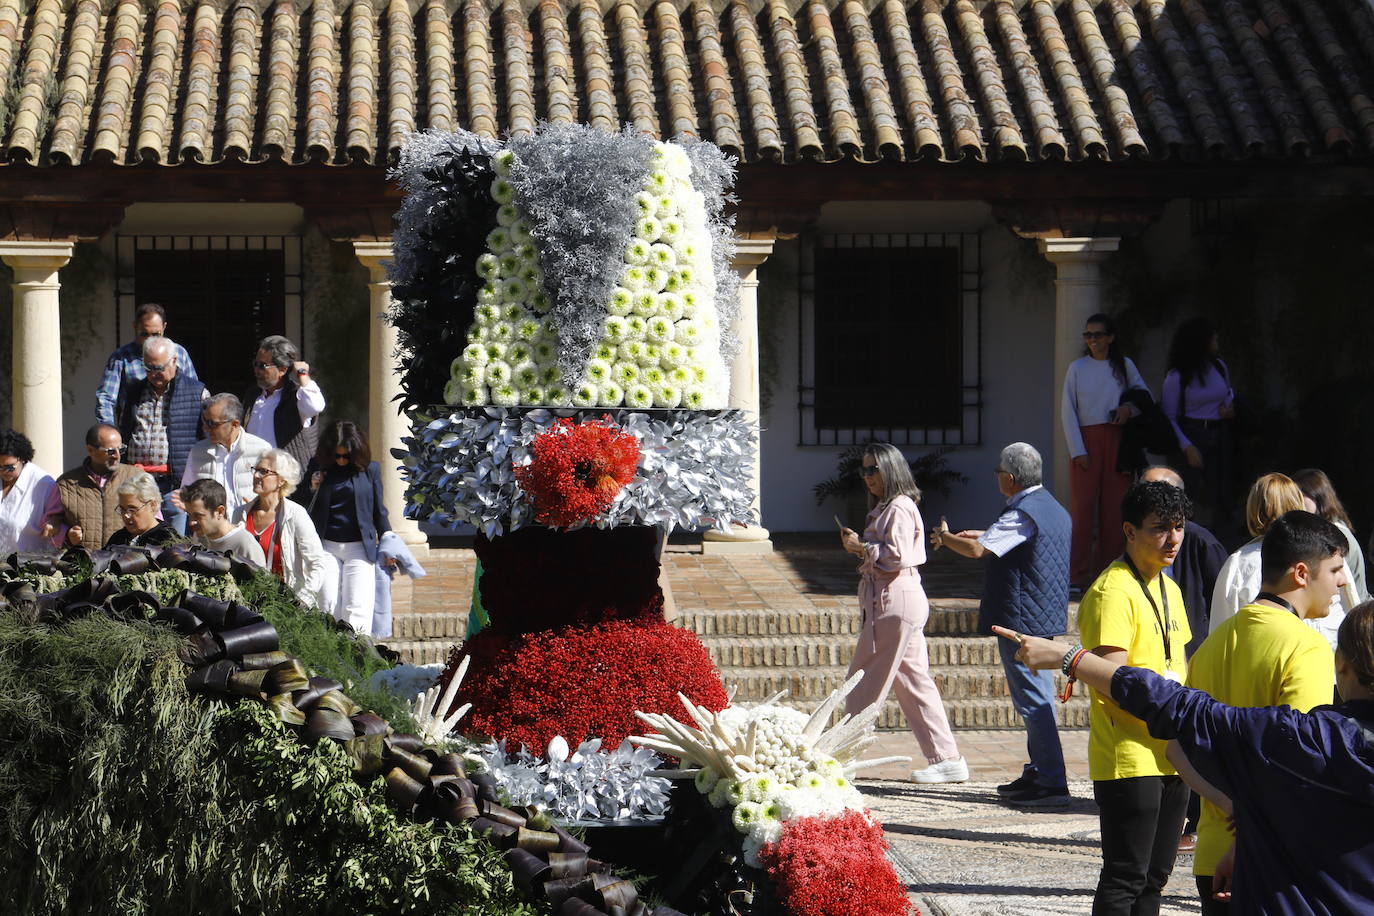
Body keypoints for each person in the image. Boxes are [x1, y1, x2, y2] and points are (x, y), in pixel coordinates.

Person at [994, 600, 1374, 915]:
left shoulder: (1304, 741)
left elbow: (1178, 706)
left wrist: (1072, 658)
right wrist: (1250, 837)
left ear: (1341, 663)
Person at [1182, 510, 1343, 914]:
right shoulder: (1305, 648)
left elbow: (1176, 748)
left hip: (1213, 854)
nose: (1343, 581)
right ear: (1302, 573)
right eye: (1336, 569)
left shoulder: (1211, 645)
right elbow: (1299, 764)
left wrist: (1226, 801)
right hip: (1272, 856)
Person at [1075, 480, 1191, 916]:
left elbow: (1178, 667)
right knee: (1126, 877)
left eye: (1179, 526)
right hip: (1129, 756)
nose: (1173, 538)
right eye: (1160, 528)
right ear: (1129, 530)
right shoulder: (1113, 591)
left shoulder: (1170, 587)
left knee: (1156, 880)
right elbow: (1112, 679)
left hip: (1172, 751)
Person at [931, 442, 1069, 805]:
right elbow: (1010, 541)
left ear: (1009, 477)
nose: (996, 477)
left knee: (1033, 700)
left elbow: (979, 552)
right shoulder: (1049, 507)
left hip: (1022, 616)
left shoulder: (1023, 512)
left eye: (998, 471)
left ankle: (1051, 782)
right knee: (1038, 697)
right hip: (1043, 611)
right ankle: (1039, 771)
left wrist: (944, 539)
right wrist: (983, 534)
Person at [838, 442, 965, 784]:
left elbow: (895, 557)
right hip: (894, 598)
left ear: (890, 470)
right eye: (864, 470)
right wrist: (862, 550)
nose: (867, 477)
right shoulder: (890, 507)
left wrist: (859, 547)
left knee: (864, 678)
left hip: (894, 600)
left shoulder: (898, 507)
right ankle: (946, 758)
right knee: (912, 681)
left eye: (873, 470)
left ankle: (838, 755)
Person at [1138, 465, 1228, 855]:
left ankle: (1194, 820)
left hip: (1194, 654)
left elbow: (1219, 596)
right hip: (1158, 660)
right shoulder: (1138, 541)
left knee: (1192, 741)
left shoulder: (1202, 543)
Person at [1211, 473, 1357, 651]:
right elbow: (1352, 611)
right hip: (1328, 664)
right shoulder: (1326, 553)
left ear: (1253, 508)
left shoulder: (1239, 564)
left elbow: (1220, 635)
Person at [1062, 312, 1150, 592]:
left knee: (1115, 510)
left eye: (1098, 334)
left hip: (1118, 440)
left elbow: (1144, 397)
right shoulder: (1077, 368)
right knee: (1083, 510)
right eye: (1088, 335)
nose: (1092, 340)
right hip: (1086, 441)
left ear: (1111, 337)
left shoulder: (1124, 366)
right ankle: (1076, 575)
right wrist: (1077, 449)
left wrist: (1129, 410)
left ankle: (1109, 570)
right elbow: (1068, 410)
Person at [306, 421, 393, 634]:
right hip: (326, 545)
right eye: (337, 456)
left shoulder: (370, 470)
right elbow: (302, 503)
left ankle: (356, 657)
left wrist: (388, 541)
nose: (342, 461)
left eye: (347, 456)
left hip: (359, 547)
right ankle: (328, 656)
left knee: (357, 605)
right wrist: (312, 486)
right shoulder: (319, 468)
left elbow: (378, 510)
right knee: (326, 603)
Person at [118, 335, 207, 534]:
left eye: (159, 368)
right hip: (138, 481)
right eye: (148, 368)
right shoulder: (134, 392)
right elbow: (124, 431)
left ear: (174, 361)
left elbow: (206, 441)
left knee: (173, 546)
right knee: (140, 543)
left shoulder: (196, 392)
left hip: (174, 485)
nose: (154, 374)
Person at [1140, 467, 1228, 659]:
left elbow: (1222, 603)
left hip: (1194, 656)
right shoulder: (1137, 537)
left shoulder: (1203, 543)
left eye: (1157, 493)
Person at [1162, 318, 1236, 536]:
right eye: (1212, 336)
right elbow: (1169, 416)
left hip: (1219, 433)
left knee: (1221, 493)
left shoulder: (1219, 367)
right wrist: (1187, 447)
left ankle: (1222, 543)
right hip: (1191, 434)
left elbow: (1228, 392)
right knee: (1189, 496)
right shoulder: (1177, 377)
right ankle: (1186, 543)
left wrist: (1228, 407)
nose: (1216, 340)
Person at [233, 449, 331, 609]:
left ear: (281, 480)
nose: (256, 475)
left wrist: (302, 602)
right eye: (255, 470)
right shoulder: (240, 514)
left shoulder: (296, 514)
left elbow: (318, 563)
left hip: (284, 607)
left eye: (263, 471)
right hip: (246, 604)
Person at [96, 302, 199, 425]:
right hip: (136, 432)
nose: (150, 339)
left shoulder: (179, 353)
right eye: (144, 334)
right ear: (135, 327)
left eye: (156, 334)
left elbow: (194, 395)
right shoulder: (121, 357)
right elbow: (105, 398)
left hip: (175, 429)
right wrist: (109, 432)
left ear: (164, 327)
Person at [180, 394, 272, 517]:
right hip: (209, 530)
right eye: (205, 421)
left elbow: (273, 495)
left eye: (212, 424)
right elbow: (186, 491)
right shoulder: (198, 451)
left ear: (235, 424)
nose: (206, 428)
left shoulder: (261, 450)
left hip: (248, 527)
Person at [243, 335, 326, 472]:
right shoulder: (253, 396)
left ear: (282, 369)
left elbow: (316, 405)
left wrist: (302, 373)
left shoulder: (296, 396)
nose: (257, 370)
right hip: (255, 476)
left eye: (263, 366)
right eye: (255, 364)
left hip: (288, 480)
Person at [55, 424, 141, 548]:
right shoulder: (65, 484)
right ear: (90, 450)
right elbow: (51, 522)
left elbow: (155, 520)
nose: (117, 455)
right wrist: (67, 535)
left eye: (121, 449)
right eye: (111, 451)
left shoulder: (137, 477)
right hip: (83, 562)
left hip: (126, 562)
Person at [1292, 468, 1366, 602]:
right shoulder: (1327, 530)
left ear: (1317, 495)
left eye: (1299, 495)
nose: (1295, 502)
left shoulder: (1334, 534)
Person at [0, 428, 63, 554]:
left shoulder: (44, 485)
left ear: (22, 458)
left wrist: (54, 522)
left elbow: (58, 518)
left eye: (9, 467)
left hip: (28, 565)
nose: (3, 472)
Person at [182, 478, 266, 567]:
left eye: (198, 516)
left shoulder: (246, 545)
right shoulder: (199, 537)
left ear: (220, 512)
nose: (191, 522)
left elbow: (262, 579)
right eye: (189, 515)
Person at [105, 470, 180, 547]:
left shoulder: (167, 539)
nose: (126, 515)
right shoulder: (118, 538)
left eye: (132, 510)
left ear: (152, 505)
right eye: (122, 509)